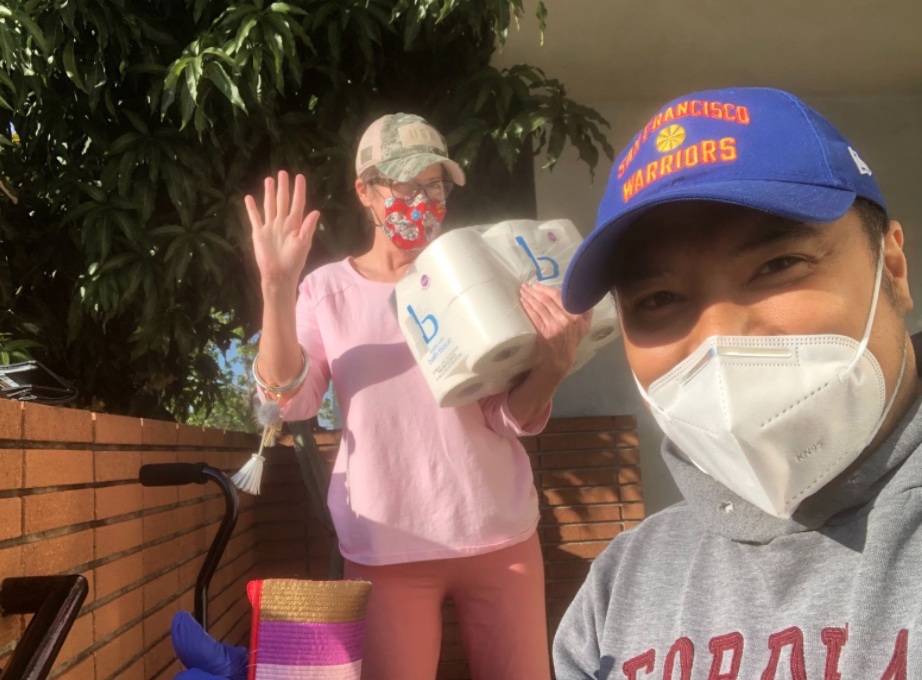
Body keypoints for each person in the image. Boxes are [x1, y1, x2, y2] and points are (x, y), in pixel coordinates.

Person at [173, 112, 592, 680]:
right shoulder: (327, 291)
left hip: (500, 534)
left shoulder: (477, 274)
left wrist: (553, 367)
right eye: (406, 184)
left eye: (435, 184)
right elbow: (286, 404)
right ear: (365, 192)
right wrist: (278, 286)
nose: (423, 197)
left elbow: (502, 414)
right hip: (387, 548)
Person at [553, 87, 922, 678]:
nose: (720, 340)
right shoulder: (616, 593)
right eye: (659, 299)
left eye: (777, 266)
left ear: (894, 270)